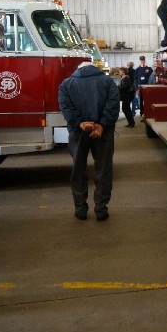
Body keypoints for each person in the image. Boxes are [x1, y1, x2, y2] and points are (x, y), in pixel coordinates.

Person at [58, 61, 120, 221]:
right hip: (103, 133)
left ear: (78, 69)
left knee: (78, 169)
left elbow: (65, 106)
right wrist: (101, 125)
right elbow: (113, 105)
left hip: (78, 133)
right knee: (103, 170)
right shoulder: (108, 82)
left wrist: (80, 123)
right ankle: (101, 209)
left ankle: (80, 209)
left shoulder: (66, 84)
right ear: (94, 68)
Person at [135, 55, 153, 121]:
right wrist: (136, 89)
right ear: (139, 61)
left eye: (143, 60)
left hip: (147, 87)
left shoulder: (149, 69)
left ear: (145, 61)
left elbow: (152, 78)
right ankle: (142, 114)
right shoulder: (137, 70)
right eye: (141, 60)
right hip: (140, 87)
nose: (142, 61)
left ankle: (147, 114)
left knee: (147, 101)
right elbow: (135, 80)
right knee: (140, 101)